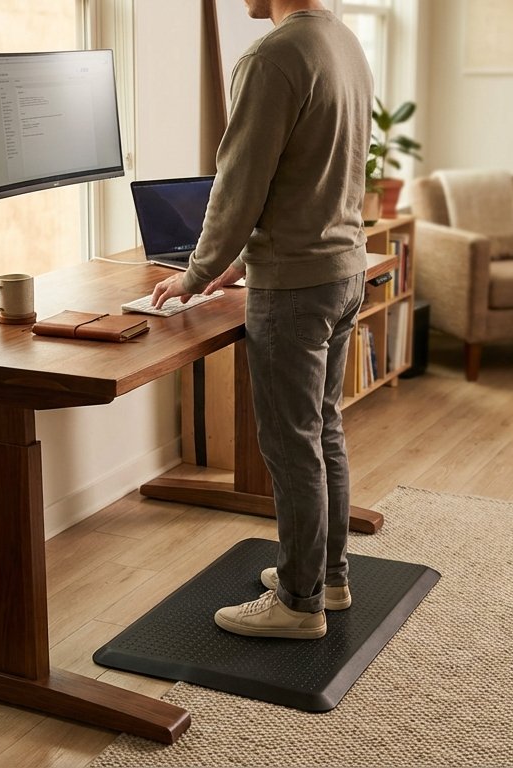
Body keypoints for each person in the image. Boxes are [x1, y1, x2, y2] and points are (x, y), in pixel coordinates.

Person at [150, 0, 373, 640]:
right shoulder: (344, 43)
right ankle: (328, 575)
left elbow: (239, 182)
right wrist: (244, 261)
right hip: (341, 268)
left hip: (296, 288)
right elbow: (318, 174)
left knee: (290, 446)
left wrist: (197, 273)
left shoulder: (272, 57)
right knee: (322, 431)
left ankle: (299, 606)